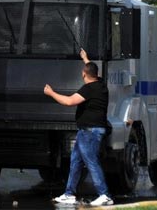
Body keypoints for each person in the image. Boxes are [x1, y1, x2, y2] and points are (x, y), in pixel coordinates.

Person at [44, 49, 113, 207]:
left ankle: (104, 194)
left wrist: (51, 93)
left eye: (83, 71)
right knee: (75, 161)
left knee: (91, 161)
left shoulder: (88, 89)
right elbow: (91, 68)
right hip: (88, 131)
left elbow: (69, 101)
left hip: (90, 131)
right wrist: (85, 58)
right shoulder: (101, 84)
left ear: (84, 74)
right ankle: (69, 194)